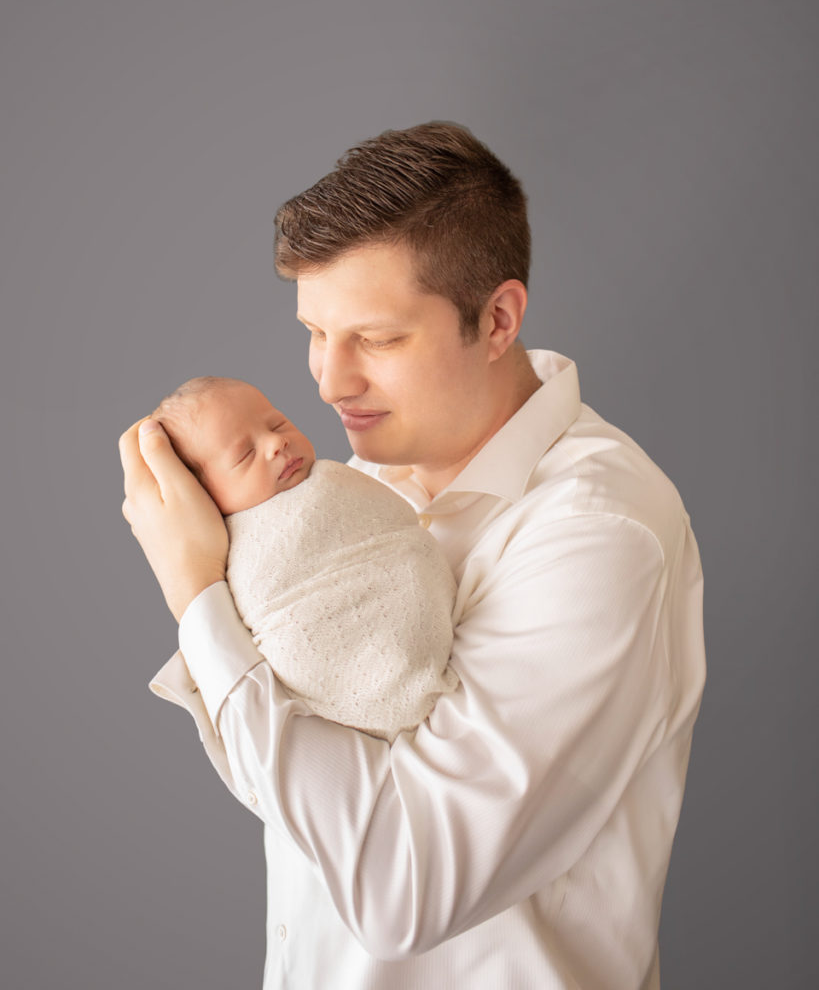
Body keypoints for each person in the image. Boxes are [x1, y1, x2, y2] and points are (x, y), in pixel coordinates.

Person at [119, 121, 706, 989]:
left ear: (498, 317)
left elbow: (402, 897)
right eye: (315, 332)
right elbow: (292, 799)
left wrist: (197, 596)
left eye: (378, 339)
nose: (327, 382)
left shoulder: (597, 534)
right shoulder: (352, 490)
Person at [150, 375, 457, 741]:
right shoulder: (229, 551)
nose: (276, 443)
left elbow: (399, 533)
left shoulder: (340, 480)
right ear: (201, 496)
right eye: (245, 454)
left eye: (278, 424)